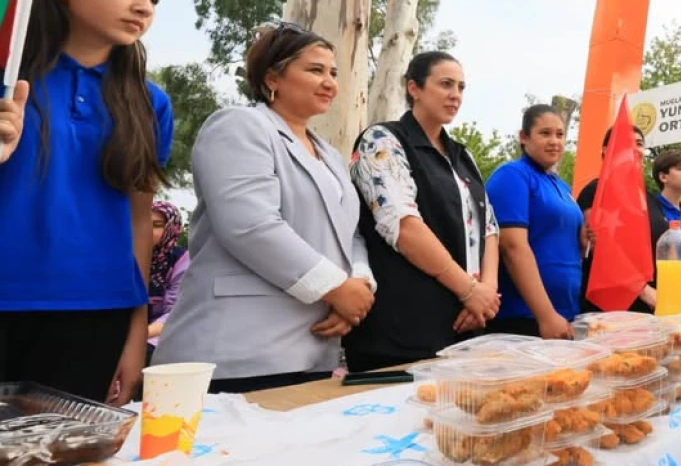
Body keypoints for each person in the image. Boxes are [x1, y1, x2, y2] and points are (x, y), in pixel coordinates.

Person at [153, 23, 376, 393]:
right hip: (236, 350)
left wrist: (360, 285)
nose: (330, 82)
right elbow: (250, 226)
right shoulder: (240, 126)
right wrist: (335, 288)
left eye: (333, 73)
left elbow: (350, 232)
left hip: (313, 349)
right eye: (315, 70)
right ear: (273, 76)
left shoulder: (332, 157)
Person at [0, 0, 173, 405]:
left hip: (96, 314)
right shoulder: (6, 79)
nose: (143, 6)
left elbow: (140, 220)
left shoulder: (149, 103)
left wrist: (135, 333)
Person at [344, 51, 501, 371]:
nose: (455, 95)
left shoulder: (463, 156)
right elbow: (402, 226)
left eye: (460, 87)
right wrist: (469, 290)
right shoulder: (381, 139)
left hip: (463, 330)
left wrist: (485, 293)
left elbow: (488, 228)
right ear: (414, 88)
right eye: (445, 84)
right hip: (401, 335)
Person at [487, 105, 582, 339]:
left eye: (560, 135)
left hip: (566, 316)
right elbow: (512, 247)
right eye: (545, 133)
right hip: (525, 319)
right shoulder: (512, 175)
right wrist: (546, 315)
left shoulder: (561, 185)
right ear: (523, 137)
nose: (554, 141)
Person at [577, 125, 663, 312]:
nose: (634, 148)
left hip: (653, 306)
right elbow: (601, 246)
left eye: (639, 144)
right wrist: (644, 291)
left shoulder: (649, 197)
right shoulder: (596, 192)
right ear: (607, 151)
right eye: (626, 143)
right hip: (611, 307)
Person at [146, 201, 190, 353]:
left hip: (161, 333)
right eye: (142, 223)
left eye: (156, 225)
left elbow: (175, 312)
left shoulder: (180, 260)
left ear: (171, 228)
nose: (146, 230)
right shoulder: (124, 256)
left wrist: (142, 335)